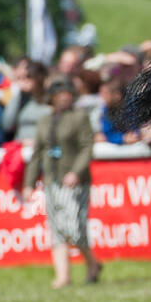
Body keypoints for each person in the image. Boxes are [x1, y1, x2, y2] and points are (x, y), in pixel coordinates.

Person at [23, 75, 102, 288]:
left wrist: (76, 171)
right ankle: (62, 276)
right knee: (57, 229)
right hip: (52, 180)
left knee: (74, 228)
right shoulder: (44, 121)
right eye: (60, 94)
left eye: (68, 93)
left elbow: (87, 147)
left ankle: (92, 262)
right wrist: (29, 183)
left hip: (75, 182)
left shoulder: (80, 117)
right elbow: (37, 153)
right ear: (53, 97)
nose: (64, 98)